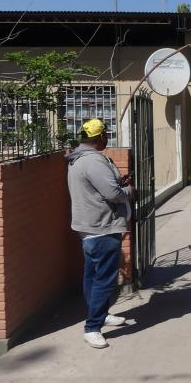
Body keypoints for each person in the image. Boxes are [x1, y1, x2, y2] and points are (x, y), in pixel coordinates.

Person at [65, 118, 133, 350]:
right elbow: (112, 193)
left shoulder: (78, 158)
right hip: (101, 226)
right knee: (104, 279)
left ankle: (100, 314)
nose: (107, 138)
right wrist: (128, 190)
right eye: (106, 134)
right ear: (99, 137)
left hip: (88, 225)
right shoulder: (93, 161)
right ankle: (92, 327)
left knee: (92, 275)